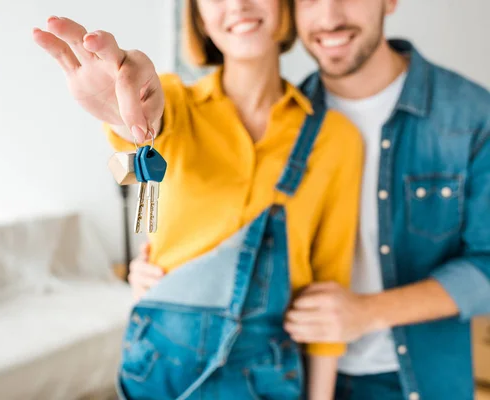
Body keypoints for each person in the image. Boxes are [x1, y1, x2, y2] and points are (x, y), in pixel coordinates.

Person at [130, 1, 490, 399]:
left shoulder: (471, 115)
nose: (330, 16)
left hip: (420, 380)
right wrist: (162, 276)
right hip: (294, 376)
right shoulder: (280, 118)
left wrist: (367, 313)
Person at [32, 0, 364, 399]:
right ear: (198, 16)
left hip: (268, 377)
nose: (238, 5)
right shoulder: (175, 102)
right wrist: (125, 113)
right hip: (162, 368)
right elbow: (146, 121)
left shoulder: (337, 139)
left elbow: (327, 298)